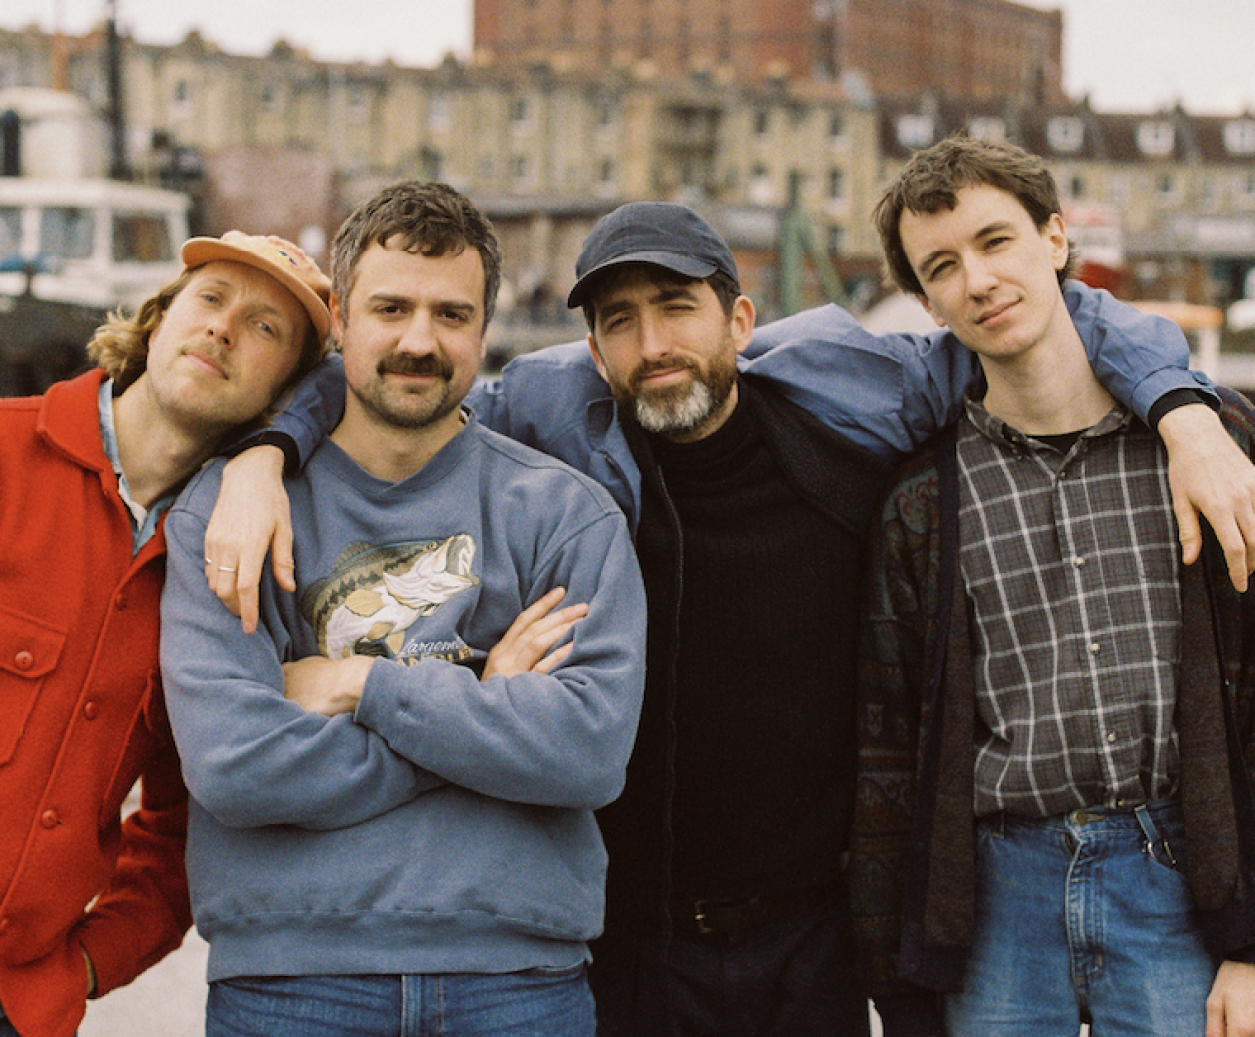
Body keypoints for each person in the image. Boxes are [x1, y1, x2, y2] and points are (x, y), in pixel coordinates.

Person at [202, 199, 1255, 1036]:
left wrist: (1182, 406)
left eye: (677, 306)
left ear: (740, 321)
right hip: (632, 934)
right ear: (591, 349)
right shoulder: (549, 420)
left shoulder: (855, 400)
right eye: (619, 320)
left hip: (813, 933)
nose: (653, 342)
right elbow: (385, 376)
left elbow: (1047, 321)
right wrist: (268, 450)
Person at [0, 229, 332, 1037]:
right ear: (157, 320)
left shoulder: (221, 576)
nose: (225, 328)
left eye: (267, 328)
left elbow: (192, 828)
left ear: (284, 396)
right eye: (209, 298)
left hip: (16, 1017)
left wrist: (89, 963)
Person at [158, 180, 646, 1036]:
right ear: (340, 318)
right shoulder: (234, 513)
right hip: (292, 982)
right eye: (391, 308)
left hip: (518, 981)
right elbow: (236, 763)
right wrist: (485, 703)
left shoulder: (566, 514)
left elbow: (587, 751)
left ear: (484, 329)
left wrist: (357, 685)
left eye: (452, 315)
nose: (420, 340)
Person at [850, 134, 1255, 1037]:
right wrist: (903, 979)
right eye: (943, 267)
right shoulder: (922, 502)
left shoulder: (1207, 448)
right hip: (998, 889)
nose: (979, 280)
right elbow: (887, 751)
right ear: (925, 301)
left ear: (1057, 238)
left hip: (1179, 875)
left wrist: (1251, 943)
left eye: (997, 241)